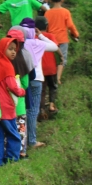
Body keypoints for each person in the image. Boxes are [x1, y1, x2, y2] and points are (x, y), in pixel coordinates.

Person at [19, 18, 58, 151]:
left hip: (21, 79)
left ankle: (20, 143)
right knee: (33, 110)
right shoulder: (37, 42)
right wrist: (40, 34)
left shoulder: (18, 43)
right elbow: (54, 46)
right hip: (36, 79)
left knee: (21, 111)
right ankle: (32, 140)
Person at [0, 38, 26, 167]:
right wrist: (22, 92)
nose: (13, 52)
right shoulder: (7, 65)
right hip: (5, 107)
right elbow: (12, 87)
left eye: (15, 49)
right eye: (10, 49)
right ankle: (12, 159)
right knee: (13, 134)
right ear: (3, 49)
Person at [44, 0, 80, 85]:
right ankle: (58, 77)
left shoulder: (48, 13)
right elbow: (71, 26)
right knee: (62, 58)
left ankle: (50, 77)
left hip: (51, 39)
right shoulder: (66, 12)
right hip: (63, 39)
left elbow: (46, 27)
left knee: (52, 59)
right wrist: (76, 34)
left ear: (50, 0)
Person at [7, 28, 32, 158]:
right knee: (21, 128)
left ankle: (8, 153)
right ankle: (21, 152)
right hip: (20, 103)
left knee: (8, 130)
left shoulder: (2, 59)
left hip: (6, 104)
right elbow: (26, 84)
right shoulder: (22, 60)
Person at [35, 16, 60, 115]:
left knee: (42, 90)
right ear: (47, 26)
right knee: (53, 86)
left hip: (41, 69)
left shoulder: (34, 37)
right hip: (51, 67)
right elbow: (56, 48)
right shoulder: (50, 36)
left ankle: (41, 110)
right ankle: (51, 106)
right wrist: (61, 57)